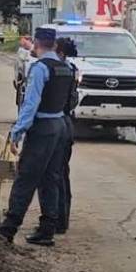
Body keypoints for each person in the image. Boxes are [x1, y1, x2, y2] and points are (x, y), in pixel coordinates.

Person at [0, 27, 74, 246]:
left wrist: (17, 132)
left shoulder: (40, 68)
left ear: (37, 43)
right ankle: (47, 229)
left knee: (26, 178)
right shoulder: (66, 67)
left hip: (43, 127)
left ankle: (7, 230)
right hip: (60, 126)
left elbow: (31, 104)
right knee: (51, 178)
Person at [55, 36, 80, 235]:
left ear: (60, 52)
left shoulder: (58, 70)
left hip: (57, 124)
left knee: (55, 175)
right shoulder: (71, 69)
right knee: (63, 174)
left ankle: (57, 220)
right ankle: (62, 219)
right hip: (67, 123)